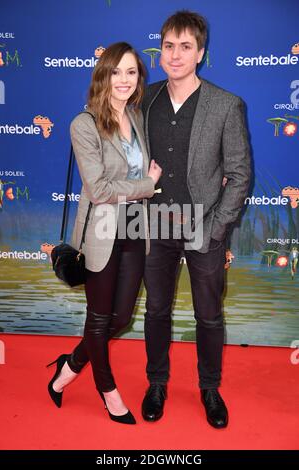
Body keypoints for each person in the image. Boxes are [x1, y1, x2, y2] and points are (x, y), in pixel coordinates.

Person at [141, 11, 251, 428]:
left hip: (203, 225)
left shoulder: (225, 105)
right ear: (161, 49)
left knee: (208, 314)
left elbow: (239, 175)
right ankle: (157, 383)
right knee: (156, 310)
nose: (175, 54)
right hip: (152, 225)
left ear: (200, 53)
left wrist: (217, 227)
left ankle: (209, 388)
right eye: (169, 45)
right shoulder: (144, 99)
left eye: (185, 46)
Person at [47, 42, 162, 425]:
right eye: (117, 72)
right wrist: (147, 184)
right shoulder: (85, 124)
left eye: (132, 72)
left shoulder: (138, 116)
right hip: (101, 227)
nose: (124, 80)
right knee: (98, 319)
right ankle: (107, 390)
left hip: (133, 225)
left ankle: (71, 363)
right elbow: (98, 190)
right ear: (103, 75)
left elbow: (127, 178)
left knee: (122, 316)